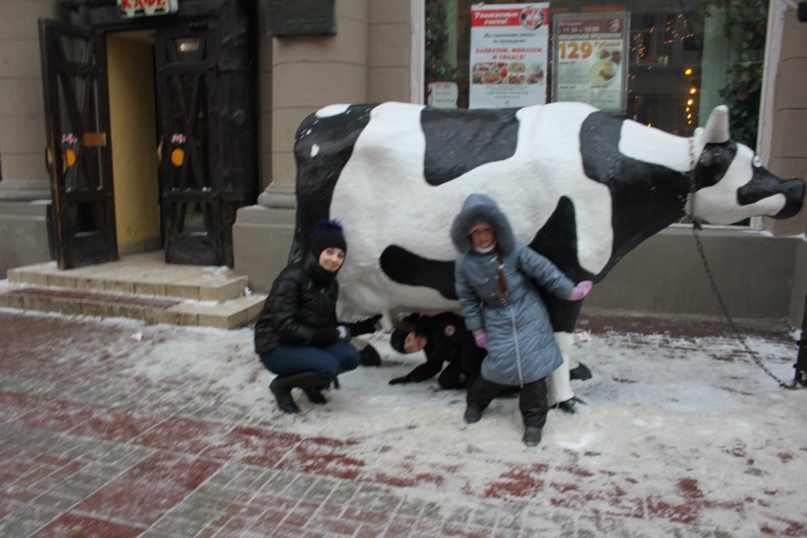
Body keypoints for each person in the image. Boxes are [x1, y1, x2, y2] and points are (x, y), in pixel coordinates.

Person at [450, 193, 593, 447]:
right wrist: (477, 331)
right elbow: (468, 300)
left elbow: (542, 269)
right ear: (467, 235)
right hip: (496, 318)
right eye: (476, 232)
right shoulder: (464, 263)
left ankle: (534, 423)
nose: (482, 236)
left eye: (487, 229)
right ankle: (476, 403)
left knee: (534, 373)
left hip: (527, 313)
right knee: (496, 368)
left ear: (497, 228)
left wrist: (569, 291)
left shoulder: (512, 249)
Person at [254, 220, 380, 414]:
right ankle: (281, 386)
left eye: (340, 255)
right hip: (275, 345)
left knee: (351, 356)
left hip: (305, 342)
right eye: (329, 252)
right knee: (328, 367)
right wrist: (329, 336)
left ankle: (309, 384)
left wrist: (362, 328)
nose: (334, 259)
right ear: (317, 251)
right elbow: (285, 327)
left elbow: (329, 325)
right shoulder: (292, 278)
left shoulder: (330, 283)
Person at [388, 312, 486, 390]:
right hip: (467, 361)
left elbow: (468, 341)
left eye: (409, 339)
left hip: (484, 350)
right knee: (446, 381)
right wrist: (409, 378)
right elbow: (432, 366)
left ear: (413, 330)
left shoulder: (440, 326)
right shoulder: (428, 345)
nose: (413, 346)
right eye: (409, 349)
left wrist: (466, 371)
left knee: (476, 385)